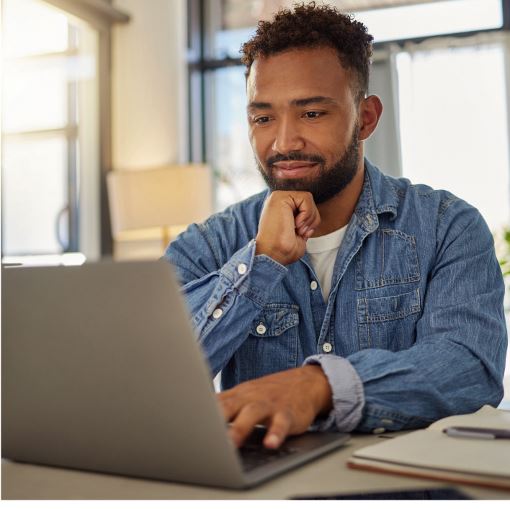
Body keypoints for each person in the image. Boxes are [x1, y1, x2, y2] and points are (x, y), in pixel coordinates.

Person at [165, 3, 507, 450]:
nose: (284, 142)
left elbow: (469, 369)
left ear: (366, 118)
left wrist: (319, 387)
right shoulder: (209, 245)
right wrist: (259, 264)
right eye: (263, 117)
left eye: (311, 114)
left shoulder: (447, 226)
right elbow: (153, 380)